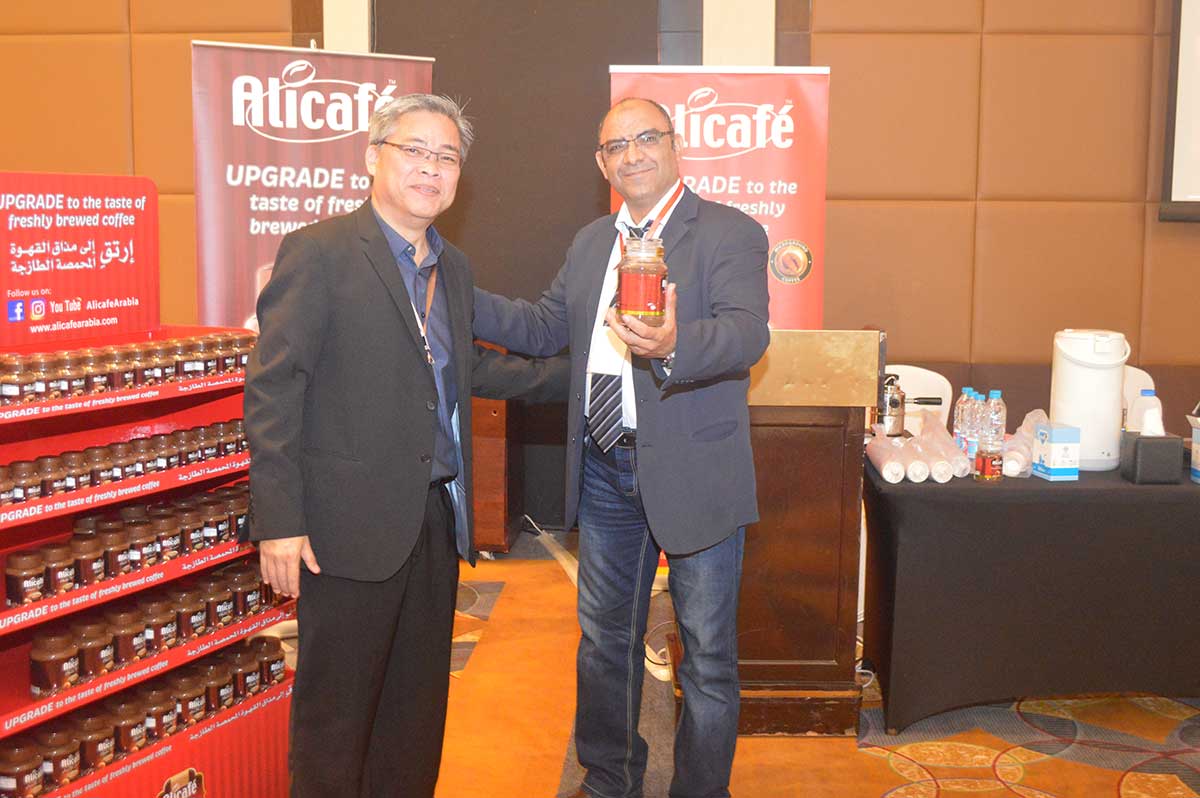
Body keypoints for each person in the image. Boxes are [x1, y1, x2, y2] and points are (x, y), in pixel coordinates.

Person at [245, 93, 565, 798]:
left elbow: (461, 368)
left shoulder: (452, 267)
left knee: (415, 716)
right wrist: (279, 521)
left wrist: (593, 378)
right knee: (336, 720)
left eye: (447, 157)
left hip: (433, 523)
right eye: (415, 150)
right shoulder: (320, 252)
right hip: (342, 530)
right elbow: (274, 390)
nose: (431, 168)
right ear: (372, 158)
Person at [473, 97, 770, 798]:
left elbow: (747, 332)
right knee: (605, 644)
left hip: (695, 471)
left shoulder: (728, 231)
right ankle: (609, 781)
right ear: (601, 163)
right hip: (605, 467)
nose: (632, 154)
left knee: (706, 657)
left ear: (675, 144)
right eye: (616, 146)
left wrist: (674, 342)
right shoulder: (590, 243)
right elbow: (545, 327)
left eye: (646, 138)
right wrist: (454, 292)